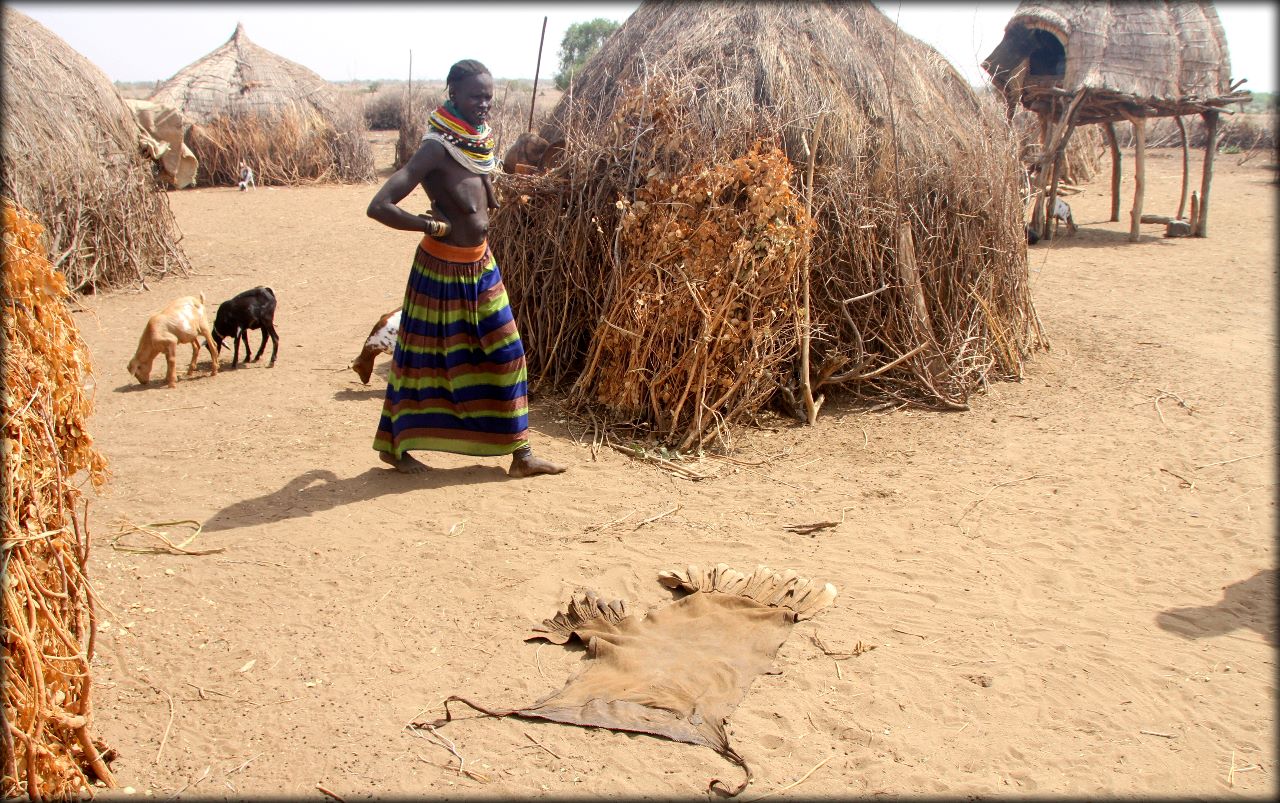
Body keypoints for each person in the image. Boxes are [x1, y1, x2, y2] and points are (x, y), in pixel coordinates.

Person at [366, 59, 565, 478]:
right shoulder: (435, 148)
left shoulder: (479, 144)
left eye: (489, 97)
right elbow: (379, 206)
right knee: (419, 360)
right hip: (439, 269)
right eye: (476, 96)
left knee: (509, 353)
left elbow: (483, 192)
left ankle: (521, 454)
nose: (484, 104)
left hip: (481, 264)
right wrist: (429, 224)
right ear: (452, 94)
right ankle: (394, 448)